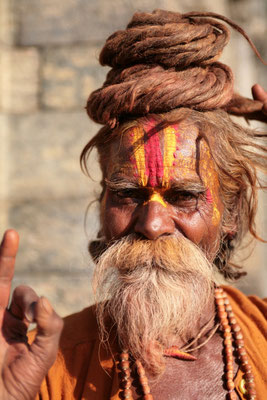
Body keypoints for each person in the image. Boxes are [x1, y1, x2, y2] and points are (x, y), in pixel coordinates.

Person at [0, 9, 266, 400]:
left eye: (183, 196)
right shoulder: (48, 367)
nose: (152, 223)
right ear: (103, 201)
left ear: (231, 213)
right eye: (127, 194)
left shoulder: (260, 334)